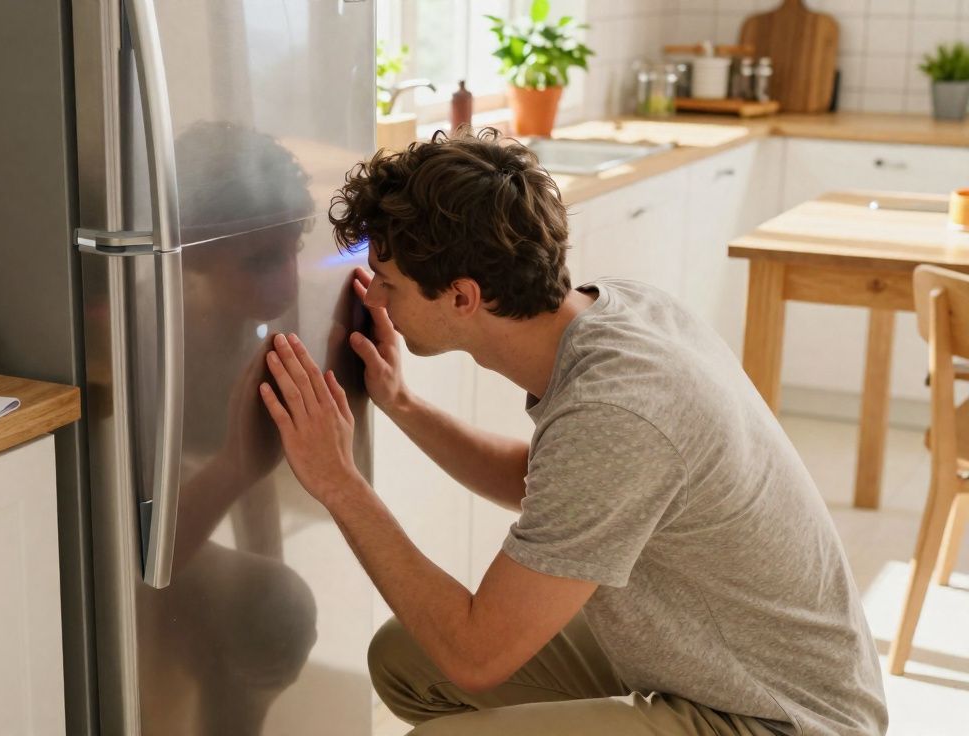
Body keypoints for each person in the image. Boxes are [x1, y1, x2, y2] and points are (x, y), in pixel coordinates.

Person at [256, 128, 888, 736]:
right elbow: (545, 482)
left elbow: (477, 656)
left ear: (462, 296)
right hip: (720, 655)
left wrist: (340, 484)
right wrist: (403, 405)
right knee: (408, 659)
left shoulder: (617, 411)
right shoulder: (615, 313)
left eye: (389, 283)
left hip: (780, 719)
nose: (379, 301)